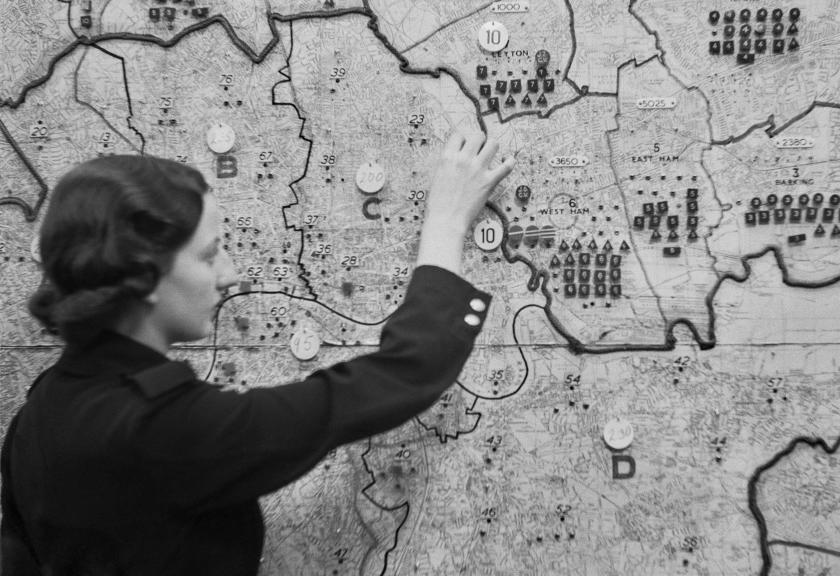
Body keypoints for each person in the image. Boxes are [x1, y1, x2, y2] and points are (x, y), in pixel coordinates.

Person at [0, 132, 515, 575]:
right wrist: (447, 221)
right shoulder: (161, 428)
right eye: (208, 254)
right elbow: (397, 377)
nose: (230, 274)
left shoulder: (42, 411)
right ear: (144, 275)